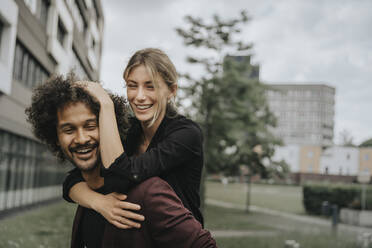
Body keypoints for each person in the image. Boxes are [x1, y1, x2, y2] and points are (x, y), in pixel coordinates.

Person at [25, 74, 217, 248]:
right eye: (69, 130)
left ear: (109, 129)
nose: (82, 138)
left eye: (90, 126)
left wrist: (105, 104)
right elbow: (70, 182)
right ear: (55, 137)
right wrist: (97, 201)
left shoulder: (149, 192)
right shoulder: (88, 192)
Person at [63, 48, 205, 228]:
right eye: (132, 85)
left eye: (150, 86)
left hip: (177, 239)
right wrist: (100, 203)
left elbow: (123, 174)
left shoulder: (186, 134)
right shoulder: (129, 131)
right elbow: (73, 180)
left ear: (171, 91)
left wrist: (106, 105)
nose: (139, 96)